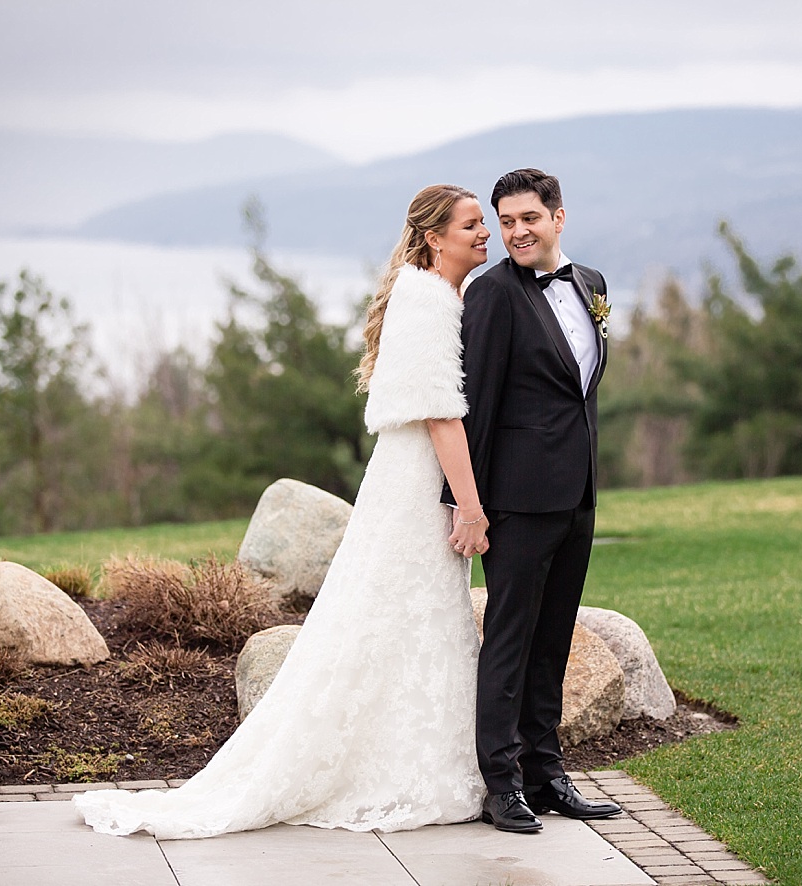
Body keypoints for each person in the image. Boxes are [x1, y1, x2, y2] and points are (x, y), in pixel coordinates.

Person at [75, 184, 493, 839]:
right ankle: (386, 770)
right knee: (405, 609)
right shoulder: (430, 299)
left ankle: (415, 757)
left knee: (409, 614)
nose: (485, 234)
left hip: (407, 476)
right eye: (472, 225)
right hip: (417, 483)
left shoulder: (433, 293)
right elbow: (441, 411)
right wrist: (469, 506)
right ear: (434, 236)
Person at [448, 168, 622, 832]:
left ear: (558, 218)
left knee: (553, 640)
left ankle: (547, 775)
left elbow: (580, 390)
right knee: (510, 643)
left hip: (577, 494)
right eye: (505, 221)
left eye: (528, 218)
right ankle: (502, 784)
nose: (516, 232)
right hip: (516, 500)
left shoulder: (591, 285)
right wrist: (467, 503)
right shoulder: (490, 295)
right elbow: (476, 406)